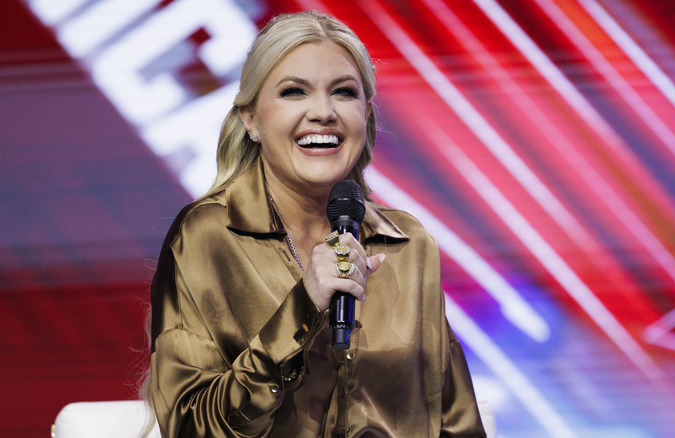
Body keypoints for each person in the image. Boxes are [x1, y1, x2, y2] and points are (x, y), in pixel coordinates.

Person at [147, 10, 486, 437]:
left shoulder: (408, 244)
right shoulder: (208, 238)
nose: (323, 112)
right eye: (294, 92)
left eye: (344, 92)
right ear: (251, 118)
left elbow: (456, 424)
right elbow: (188, 426)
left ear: (366, 114)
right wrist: (302, 308)